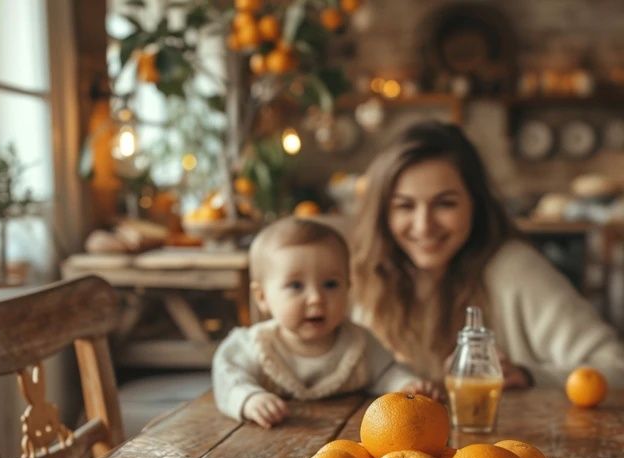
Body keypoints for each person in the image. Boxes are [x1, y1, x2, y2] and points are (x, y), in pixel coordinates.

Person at [351, 120, 624, 394]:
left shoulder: (514, 268)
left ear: (475, 203)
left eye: (445, 203)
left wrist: (528, 376)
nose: (423, 226)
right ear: (383, 215)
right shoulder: (371, 274)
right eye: (405, 206)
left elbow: (615, 366)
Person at [212, 216, 420, 428]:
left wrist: (405, 385)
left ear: (348, 287)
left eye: (330, 284)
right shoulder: (254, 345)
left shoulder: (359, 343)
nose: (316, 298)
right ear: (262, 297)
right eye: (295, 286)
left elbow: (386, 371)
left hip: (349, 433)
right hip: (276, 438)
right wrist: (249, 399)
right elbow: (227, 378)